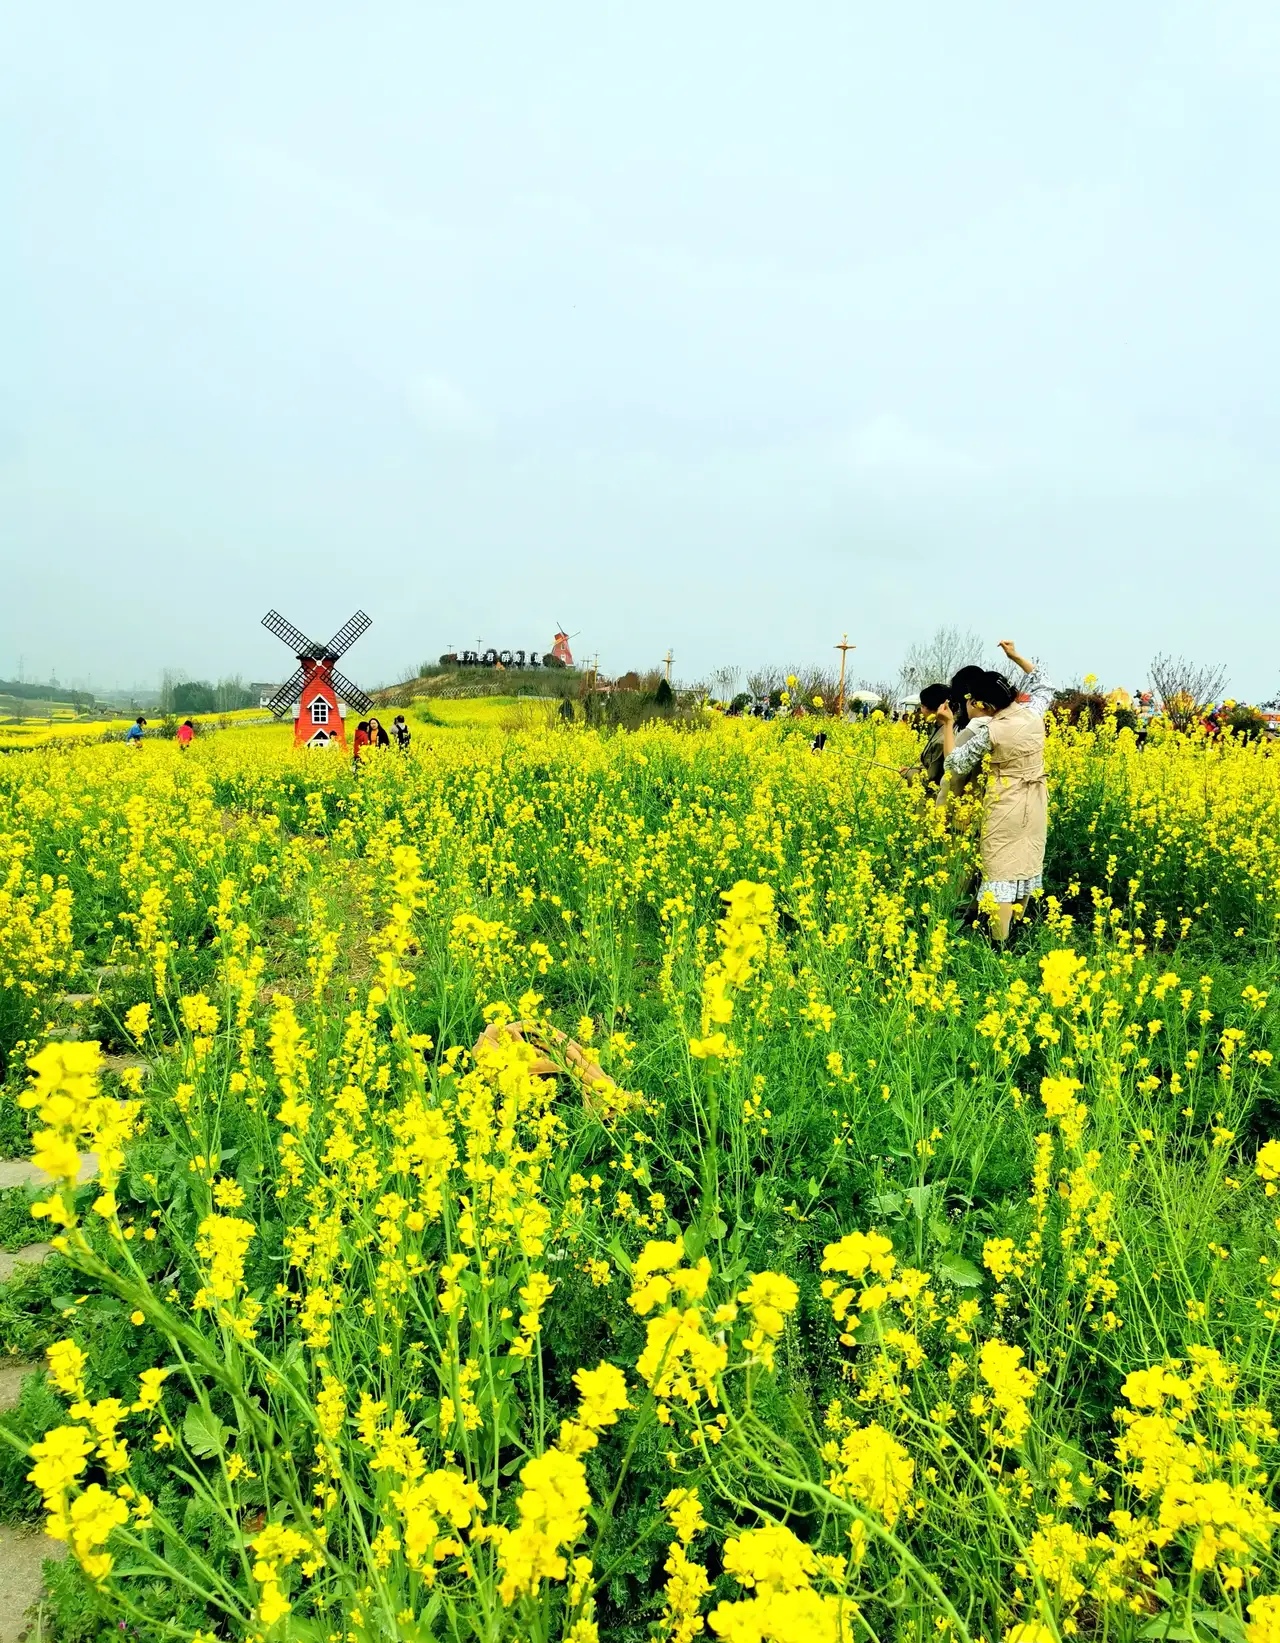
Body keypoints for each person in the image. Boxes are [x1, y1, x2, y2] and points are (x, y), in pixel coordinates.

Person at [938, 640, 1054, 944]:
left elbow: (955, 764)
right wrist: (1015, 656)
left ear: (986, 706)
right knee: (1026, 864)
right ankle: (1019, 934)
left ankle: (999, 943)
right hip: (1037, 800)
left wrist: (948, 725)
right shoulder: (1033, 713)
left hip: (1006, 803)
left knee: (1000, 869)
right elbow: (1045, 685)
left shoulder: (991, 731)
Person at [901, 684, 949, 790]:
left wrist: (908, 774)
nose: (921, 711)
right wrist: (912, 768)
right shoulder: (938, 729)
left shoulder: (941, 740)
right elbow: (929, 766)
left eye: (922, 706)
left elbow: (931, 780)